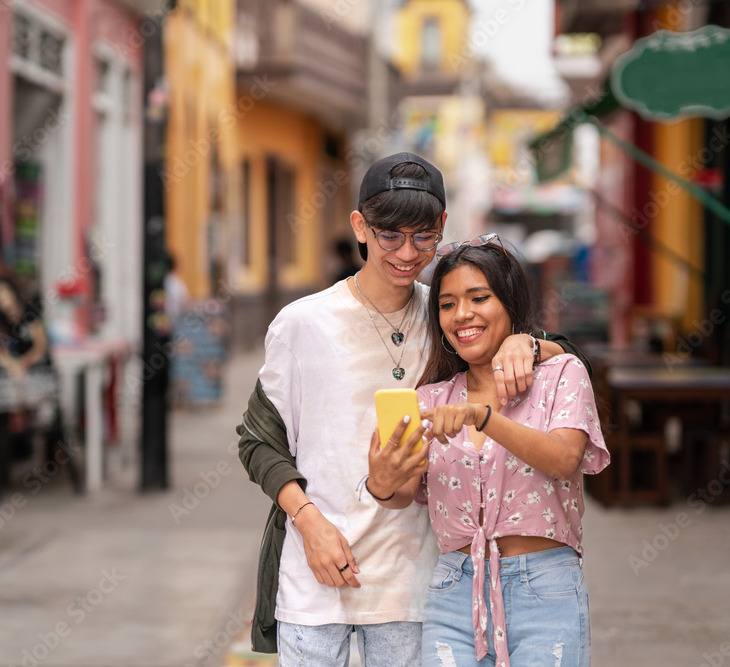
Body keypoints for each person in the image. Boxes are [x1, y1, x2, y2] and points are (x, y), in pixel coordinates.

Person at [236, 152, 591, 665]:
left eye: (423, 237)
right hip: (315, 578)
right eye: (390, 235)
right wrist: (308, 523)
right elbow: (257, 441)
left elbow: (560, 365)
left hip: (415, 588)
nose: (407, 252)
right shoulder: (302, 323)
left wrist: (534, 345)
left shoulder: (449, 315)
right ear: (360, 226)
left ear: (442, 228)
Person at [366, 235, 610, 666]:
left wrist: (484, 417)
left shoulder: (561, 374)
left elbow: (563, 459)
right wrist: (381, 482)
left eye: (479, 298)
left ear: (510, 303)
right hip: (453, 591)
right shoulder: (429, 399)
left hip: (546, 587)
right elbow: (403, 492)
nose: (462, 315)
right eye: (446, 304)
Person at [0, 276, 51, 461]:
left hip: (36, 369)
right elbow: (1, 352)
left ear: (13, 293)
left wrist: (22, 364)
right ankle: (19, 435)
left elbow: (40, 346)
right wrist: (12, 365)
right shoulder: (1, 323)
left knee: (20, 388)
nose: (3, 302)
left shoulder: (29, 312)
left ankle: (25, 432)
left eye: (5, 295)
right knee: (9, 384)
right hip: (16, 375)